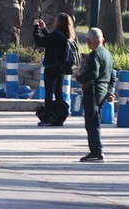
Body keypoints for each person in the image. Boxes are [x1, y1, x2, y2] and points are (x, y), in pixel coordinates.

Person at [32, 11, 77, 119]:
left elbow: (40, 42)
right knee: (58, 92)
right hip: (60, 69)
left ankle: (48, 115)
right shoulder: (66, 36)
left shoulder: (56, 35)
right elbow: (50, 40)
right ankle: (60, 115)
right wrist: (44, 29)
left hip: (51, 68)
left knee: (49, 92)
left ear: (59, 23)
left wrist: (36, 29)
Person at [78, 27, 114, 161]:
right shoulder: (108, 54)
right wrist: (109, 91)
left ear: (88, 41)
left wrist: (79, 76)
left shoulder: (94, 55)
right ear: (102, 40)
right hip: (102, 92)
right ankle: (96, 150)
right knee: (95, 121)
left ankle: (96, 151)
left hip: (93, 92)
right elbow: (113, 75)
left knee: (91, 123)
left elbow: (93, 74)